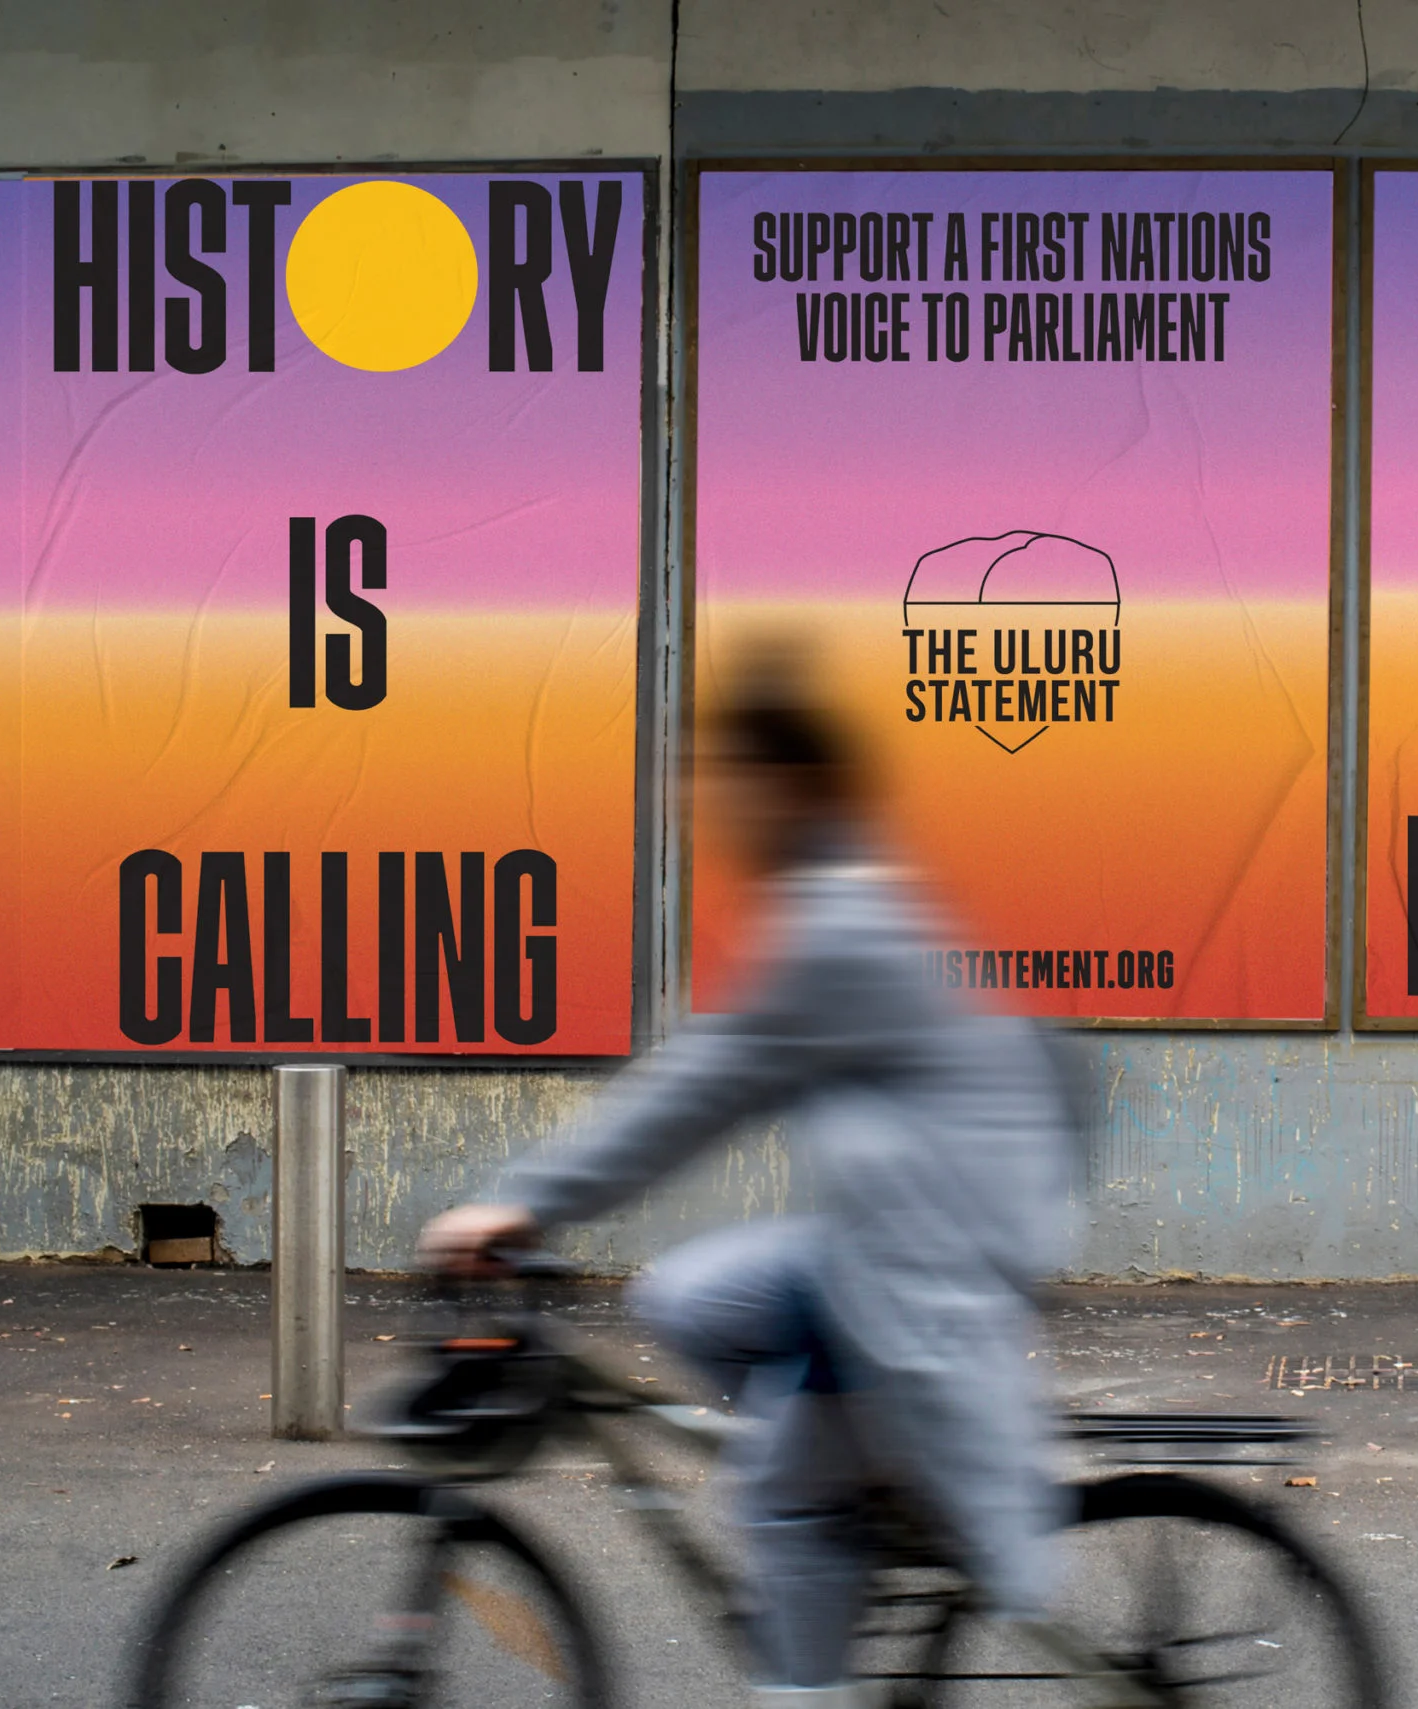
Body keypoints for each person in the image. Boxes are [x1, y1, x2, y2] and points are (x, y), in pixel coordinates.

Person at [420, 650, 1083, 1706]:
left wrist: (524, 1199)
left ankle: (815, 1592)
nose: (711, 808)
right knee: (681, 1294)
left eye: (725, 782)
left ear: (789, 787)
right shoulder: (843, 905)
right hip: (897, 1235)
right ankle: (858, 1473)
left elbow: (704, 1086)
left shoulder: (844, 928)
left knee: (777, 1499)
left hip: (917, 1267)